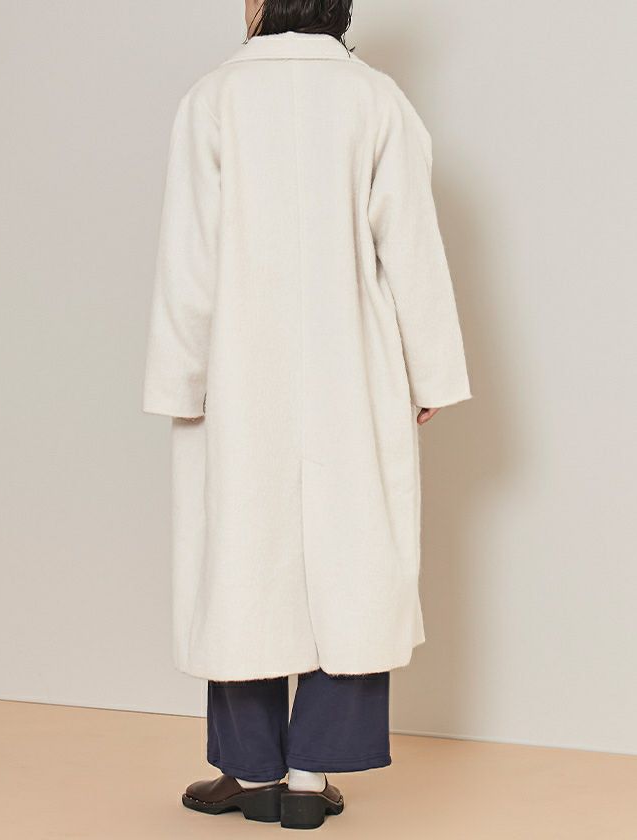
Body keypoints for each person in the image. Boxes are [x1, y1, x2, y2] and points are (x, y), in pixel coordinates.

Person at [143, 0, 471, 830]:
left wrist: (180, 380)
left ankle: (251, 771)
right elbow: (411, 245)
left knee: (240, 563)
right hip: (350, 369)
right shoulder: (376, 99)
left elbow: (188, 254)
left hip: (238, 372)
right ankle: (307, 776)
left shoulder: (213, 98)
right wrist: (429, 369)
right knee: (352, 562)